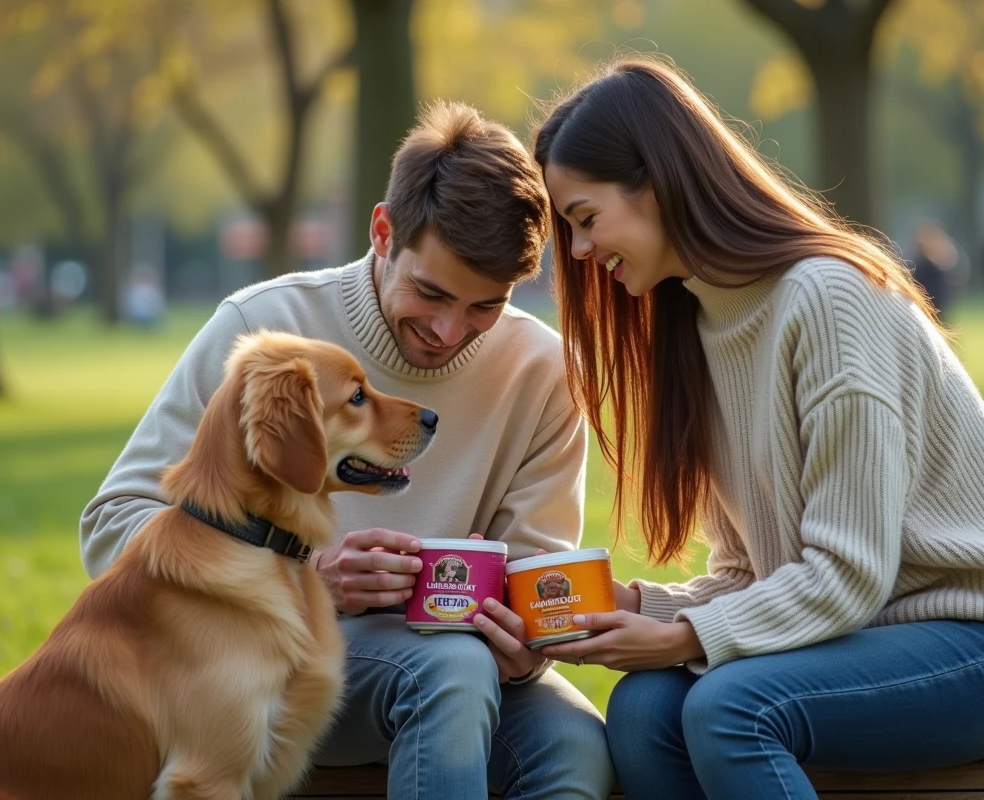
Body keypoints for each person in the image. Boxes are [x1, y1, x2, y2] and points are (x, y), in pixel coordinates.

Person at [531, 57, 984, 800]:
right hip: (862, 638)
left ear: (659, 181)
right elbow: (750, 575)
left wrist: (683, 639)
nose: (577, 252)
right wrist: (645, 609)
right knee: (644, 710)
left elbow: (848, 574)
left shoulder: (826, 300)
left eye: (584, 219)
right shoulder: (696, 328)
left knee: (730, 707)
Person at [81, 101, 614, 800]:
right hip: (257, 669)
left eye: (486, 306)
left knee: (573, 743)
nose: (451, 331)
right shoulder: (264, 328)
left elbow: (534, 569)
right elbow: (114, 522)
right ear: (383, 231)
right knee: (449, 668)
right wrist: (304, 582)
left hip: (465, 670)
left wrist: (524, 648)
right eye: (431, 292)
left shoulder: (543, 370)